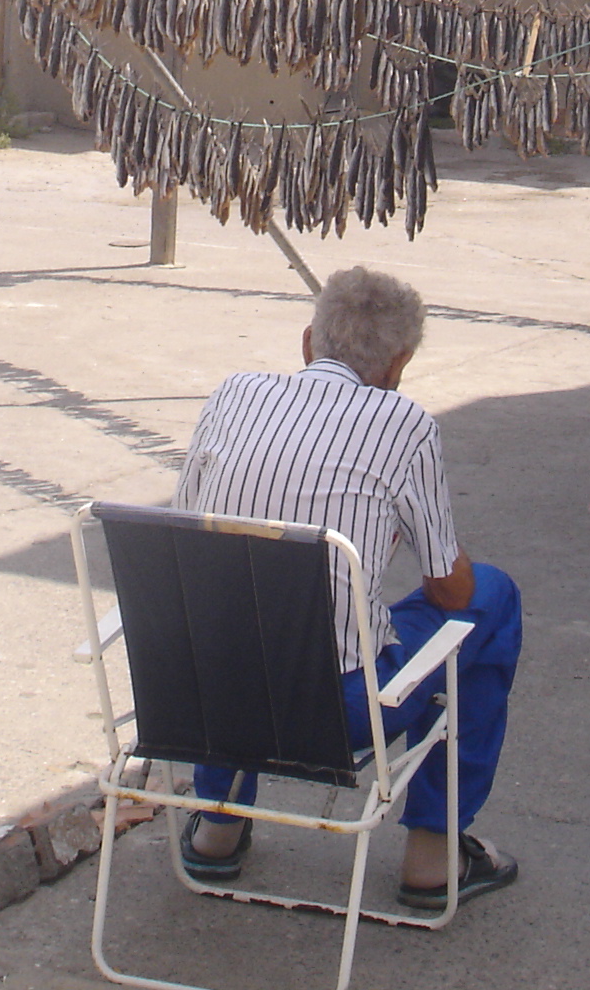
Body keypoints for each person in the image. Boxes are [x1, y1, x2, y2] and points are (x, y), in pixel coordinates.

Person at [169, 266, 522, 911]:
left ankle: (218, 824)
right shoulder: (405, 425)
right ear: (399, 363)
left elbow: (188, 533)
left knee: (233, 608)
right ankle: (431, 856)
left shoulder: (231, 395)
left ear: (308, 342)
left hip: (199, 695)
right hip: (333, 715)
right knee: (491, 599)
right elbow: (449, 590)